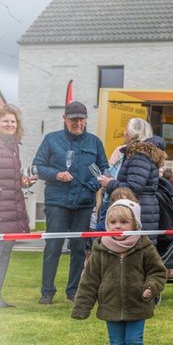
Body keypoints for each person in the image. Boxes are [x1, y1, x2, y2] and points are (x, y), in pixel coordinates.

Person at [33, 100, 108, 305]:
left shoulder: (94, 142)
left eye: (81, 119)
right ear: (65, 119)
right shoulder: (51, 140)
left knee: (78, 248)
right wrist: (56, 174)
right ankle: (47, 292)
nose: (78, 123)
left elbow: (103, 168)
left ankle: (73, 291)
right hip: (57, 202)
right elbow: (37, 166)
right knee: (53, 247)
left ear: (85, 120)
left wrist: (93, 185)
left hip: (84, 203)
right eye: (74, 119)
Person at [72, 199, 167, 345]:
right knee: (116, 344)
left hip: (137, 305)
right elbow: (89, 280)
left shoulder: (144, 246)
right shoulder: (100, 249)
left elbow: (158, 272)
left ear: (135, 224)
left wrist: (151, 286)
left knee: (135, 341)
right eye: (113, 222)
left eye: (123, 222)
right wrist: (81, 307)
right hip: (110, 306)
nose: (117, 226)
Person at [99, 136, 167, 241]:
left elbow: (134, 188)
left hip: (137, 207)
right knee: (144, 248)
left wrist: (109, 183)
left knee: (134, 247)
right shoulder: (150, 158)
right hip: (147, 208)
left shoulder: (140, 157)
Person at [0, 104, 34, 308]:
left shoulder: (14, 147)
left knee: (4, 255)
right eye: (5, 121)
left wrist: (23, 181)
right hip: (2, 212)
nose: (10, 124)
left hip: (11, 211)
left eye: (13, 121)